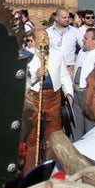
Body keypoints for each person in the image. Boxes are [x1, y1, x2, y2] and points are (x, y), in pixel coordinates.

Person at [22, 31, 74, 170]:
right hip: (35, 96)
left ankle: (51, 168)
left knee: (53, 136)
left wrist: (69, 93)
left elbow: (63, 75)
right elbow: (22, 78)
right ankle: (30, 170)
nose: (44, 40)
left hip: (53, 97)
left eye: (46, 37)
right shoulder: (27, 55)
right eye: (41, 38)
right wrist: (35, 75)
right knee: (32, 136)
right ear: (33, 39)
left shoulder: (57, 54)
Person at [71, 28, 95, 139]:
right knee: (76, 125)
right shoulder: (82, 52)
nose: (83, 41)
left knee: (90, 125)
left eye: (86, 38)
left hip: (89, 94)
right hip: (76, 93)